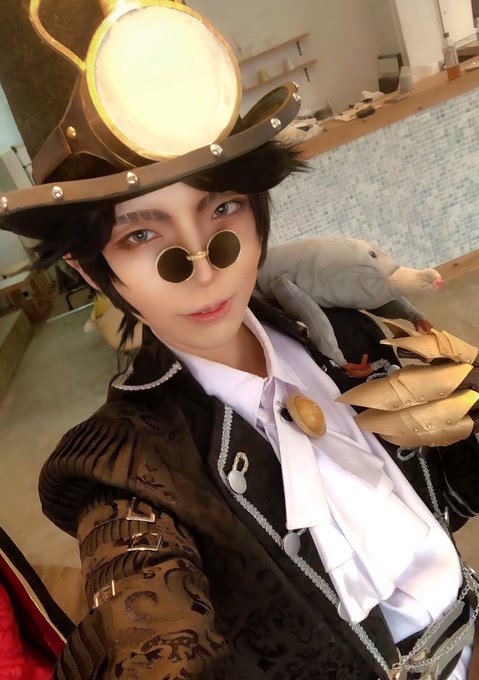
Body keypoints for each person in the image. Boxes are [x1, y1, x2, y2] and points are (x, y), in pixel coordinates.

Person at [2, 2, 479, 678]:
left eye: (221, 207)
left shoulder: (350, 334)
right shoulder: (127, 471)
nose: (202, 264)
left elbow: (444, 490)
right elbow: (154, 637)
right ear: (91, 269)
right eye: (142, 233)